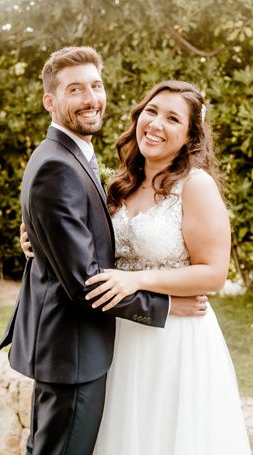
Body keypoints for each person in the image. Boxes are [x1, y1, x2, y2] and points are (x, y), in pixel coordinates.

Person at [0, 47, 205, 455]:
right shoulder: (59, 163)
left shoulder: (77, 155)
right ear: (50, 102)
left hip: (88, 345)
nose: (91, 98)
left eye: (96, 85)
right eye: (76, 89)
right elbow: (83, 282)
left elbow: (80, 233)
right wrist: (165, 306)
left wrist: (37, 238)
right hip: (72, 348)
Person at [82, 80, 250, 454]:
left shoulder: (196, 186)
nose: (156, 123)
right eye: (152, 111)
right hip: (121, 336)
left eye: (173, 118)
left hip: (176, 342)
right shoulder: (120, 185)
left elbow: (213, 273)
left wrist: (137, 279)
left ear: (190, 135)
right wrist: (35, 241)